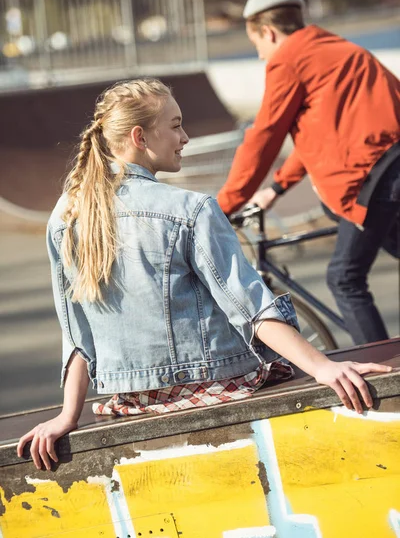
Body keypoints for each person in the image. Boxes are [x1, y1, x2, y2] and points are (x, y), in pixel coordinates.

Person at [17, 78, 391, 471]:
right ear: (140, 136)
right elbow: (250, 308)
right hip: (214, 386)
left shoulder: (65, 216)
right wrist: (323, 367)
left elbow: (77, 333)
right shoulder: (190, 209)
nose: (186, 137)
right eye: (176, 125)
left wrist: (68, 416)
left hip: (131, 402)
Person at [217, 0, 400, 346]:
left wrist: (222, 206)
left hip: (373, 180)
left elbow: (264, 137)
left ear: (267, 32)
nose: (259, 55)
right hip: (391, 169)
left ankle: (388, 376)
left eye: (256, 45)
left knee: (344, 279)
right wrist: (277, 187)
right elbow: (327, 132)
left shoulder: (288, 59)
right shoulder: (338, 49)